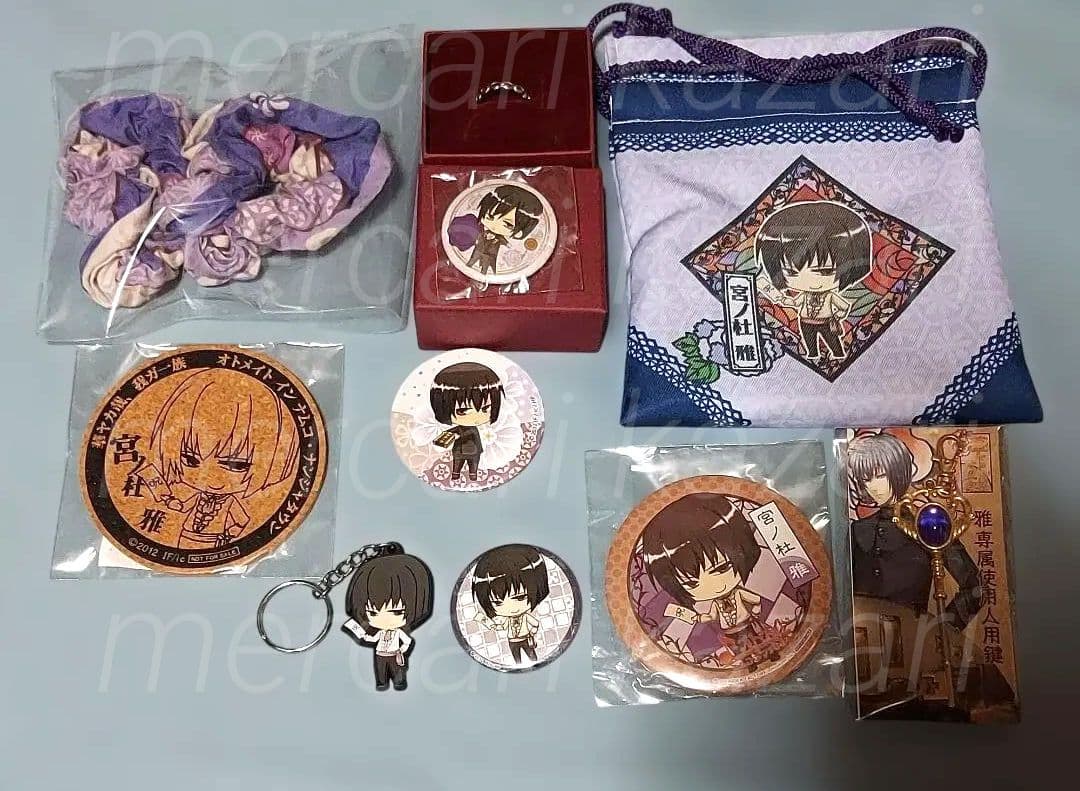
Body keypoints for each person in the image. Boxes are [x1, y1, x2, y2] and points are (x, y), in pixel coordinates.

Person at [148, 369, 299, 549]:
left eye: (235, 465)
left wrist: (228, 535)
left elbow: (243, 520)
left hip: (212, 542)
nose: (212, 479)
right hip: (185, 537)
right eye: (190, 460)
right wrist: (168, 500)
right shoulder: (199, 497)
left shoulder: (230, 502)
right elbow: (183, 507)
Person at [755, 200, 873, 361]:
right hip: (805, 322)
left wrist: (836, 317)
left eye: (825, 271)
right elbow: (793, 303)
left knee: (833, 344)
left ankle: (837, 355)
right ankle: (812, 354)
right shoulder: (804, 296)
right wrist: (779, 297)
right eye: (791, 272)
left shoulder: (829, 296)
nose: (812, 281)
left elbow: (844, 306)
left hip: (826, 322)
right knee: (810, 345)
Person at [342, 553, 433, 691]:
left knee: (397, 670)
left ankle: (399, 681)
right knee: (381, 670)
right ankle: (381, 682)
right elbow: (373, 639)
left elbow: (408, 641)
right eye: (373, 613)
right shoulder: (380, 632)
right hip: (380, 654)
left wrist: (401, 650)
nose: (384, 619)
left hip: (394, 654)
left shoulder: (399, 632)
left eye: (396, 612)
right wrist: (364, 636)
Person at [472, 544, 549, 664]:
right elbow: (501, 626)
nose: (511, 608)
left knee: (532, 657)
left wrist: (532, 634)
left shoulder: (525, 617)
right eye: (497, 603)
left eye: (520, 597)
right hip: (512, 641)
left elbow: (535, 624)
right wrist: (488, 623)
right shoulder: (506, 619)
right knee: (517, 659)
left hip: (525, 638)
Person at [429, 362, 504, 481]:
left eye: (485, 409)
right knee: (457, 465)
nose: (476, 417)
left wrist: (458, 434)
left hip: (474, 452)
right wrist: (445, 437)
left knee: (473, 467)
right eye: (462, 411)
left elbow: (469, 432)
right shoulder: (457, 428)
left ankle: (473, 477)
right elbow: (452, 432)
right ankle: (455, 476)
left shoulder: (471, 429)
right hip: (458, 451)